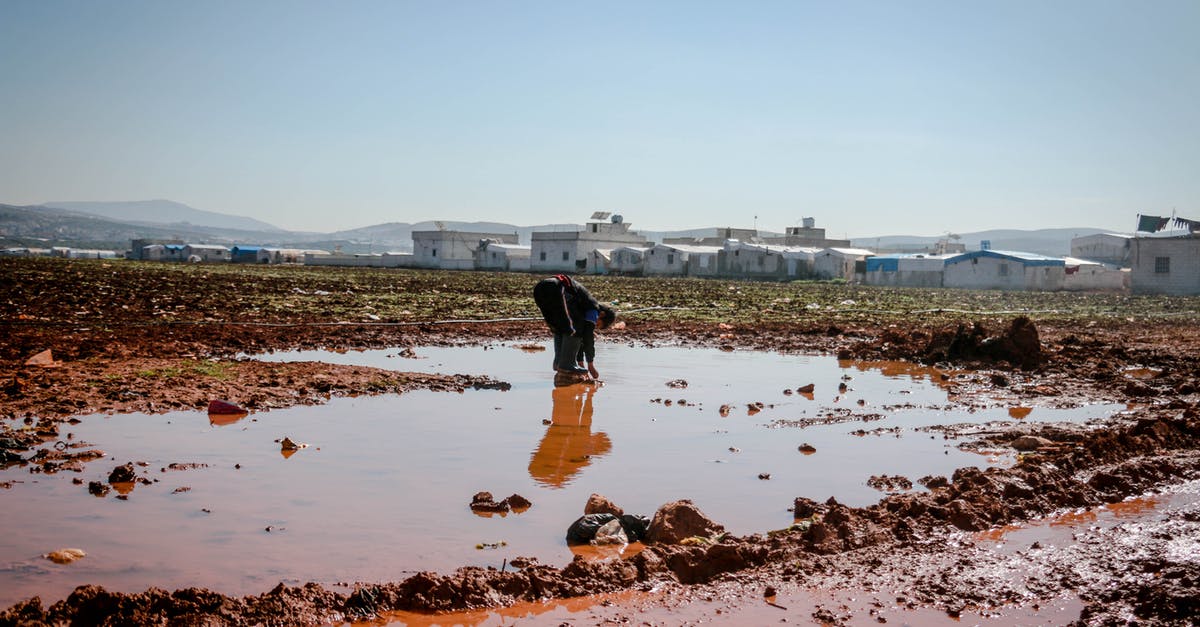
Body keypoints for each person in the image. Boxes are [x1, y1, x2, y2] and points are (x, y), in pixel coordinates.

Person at [532, 274, 616, 380]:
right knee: (575, 329)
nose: (594, 325)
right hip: (556, 288)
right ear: (602, 315)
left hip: (539, 289)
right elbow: (587, 337)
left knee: (560, 329)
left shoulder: (581, 310)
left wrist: (580, 363)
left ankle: (559, 363)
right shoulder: (593, 309)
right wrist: (590, 364)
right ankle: (566, 364)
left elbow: (579, 339)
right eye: (597, 324)